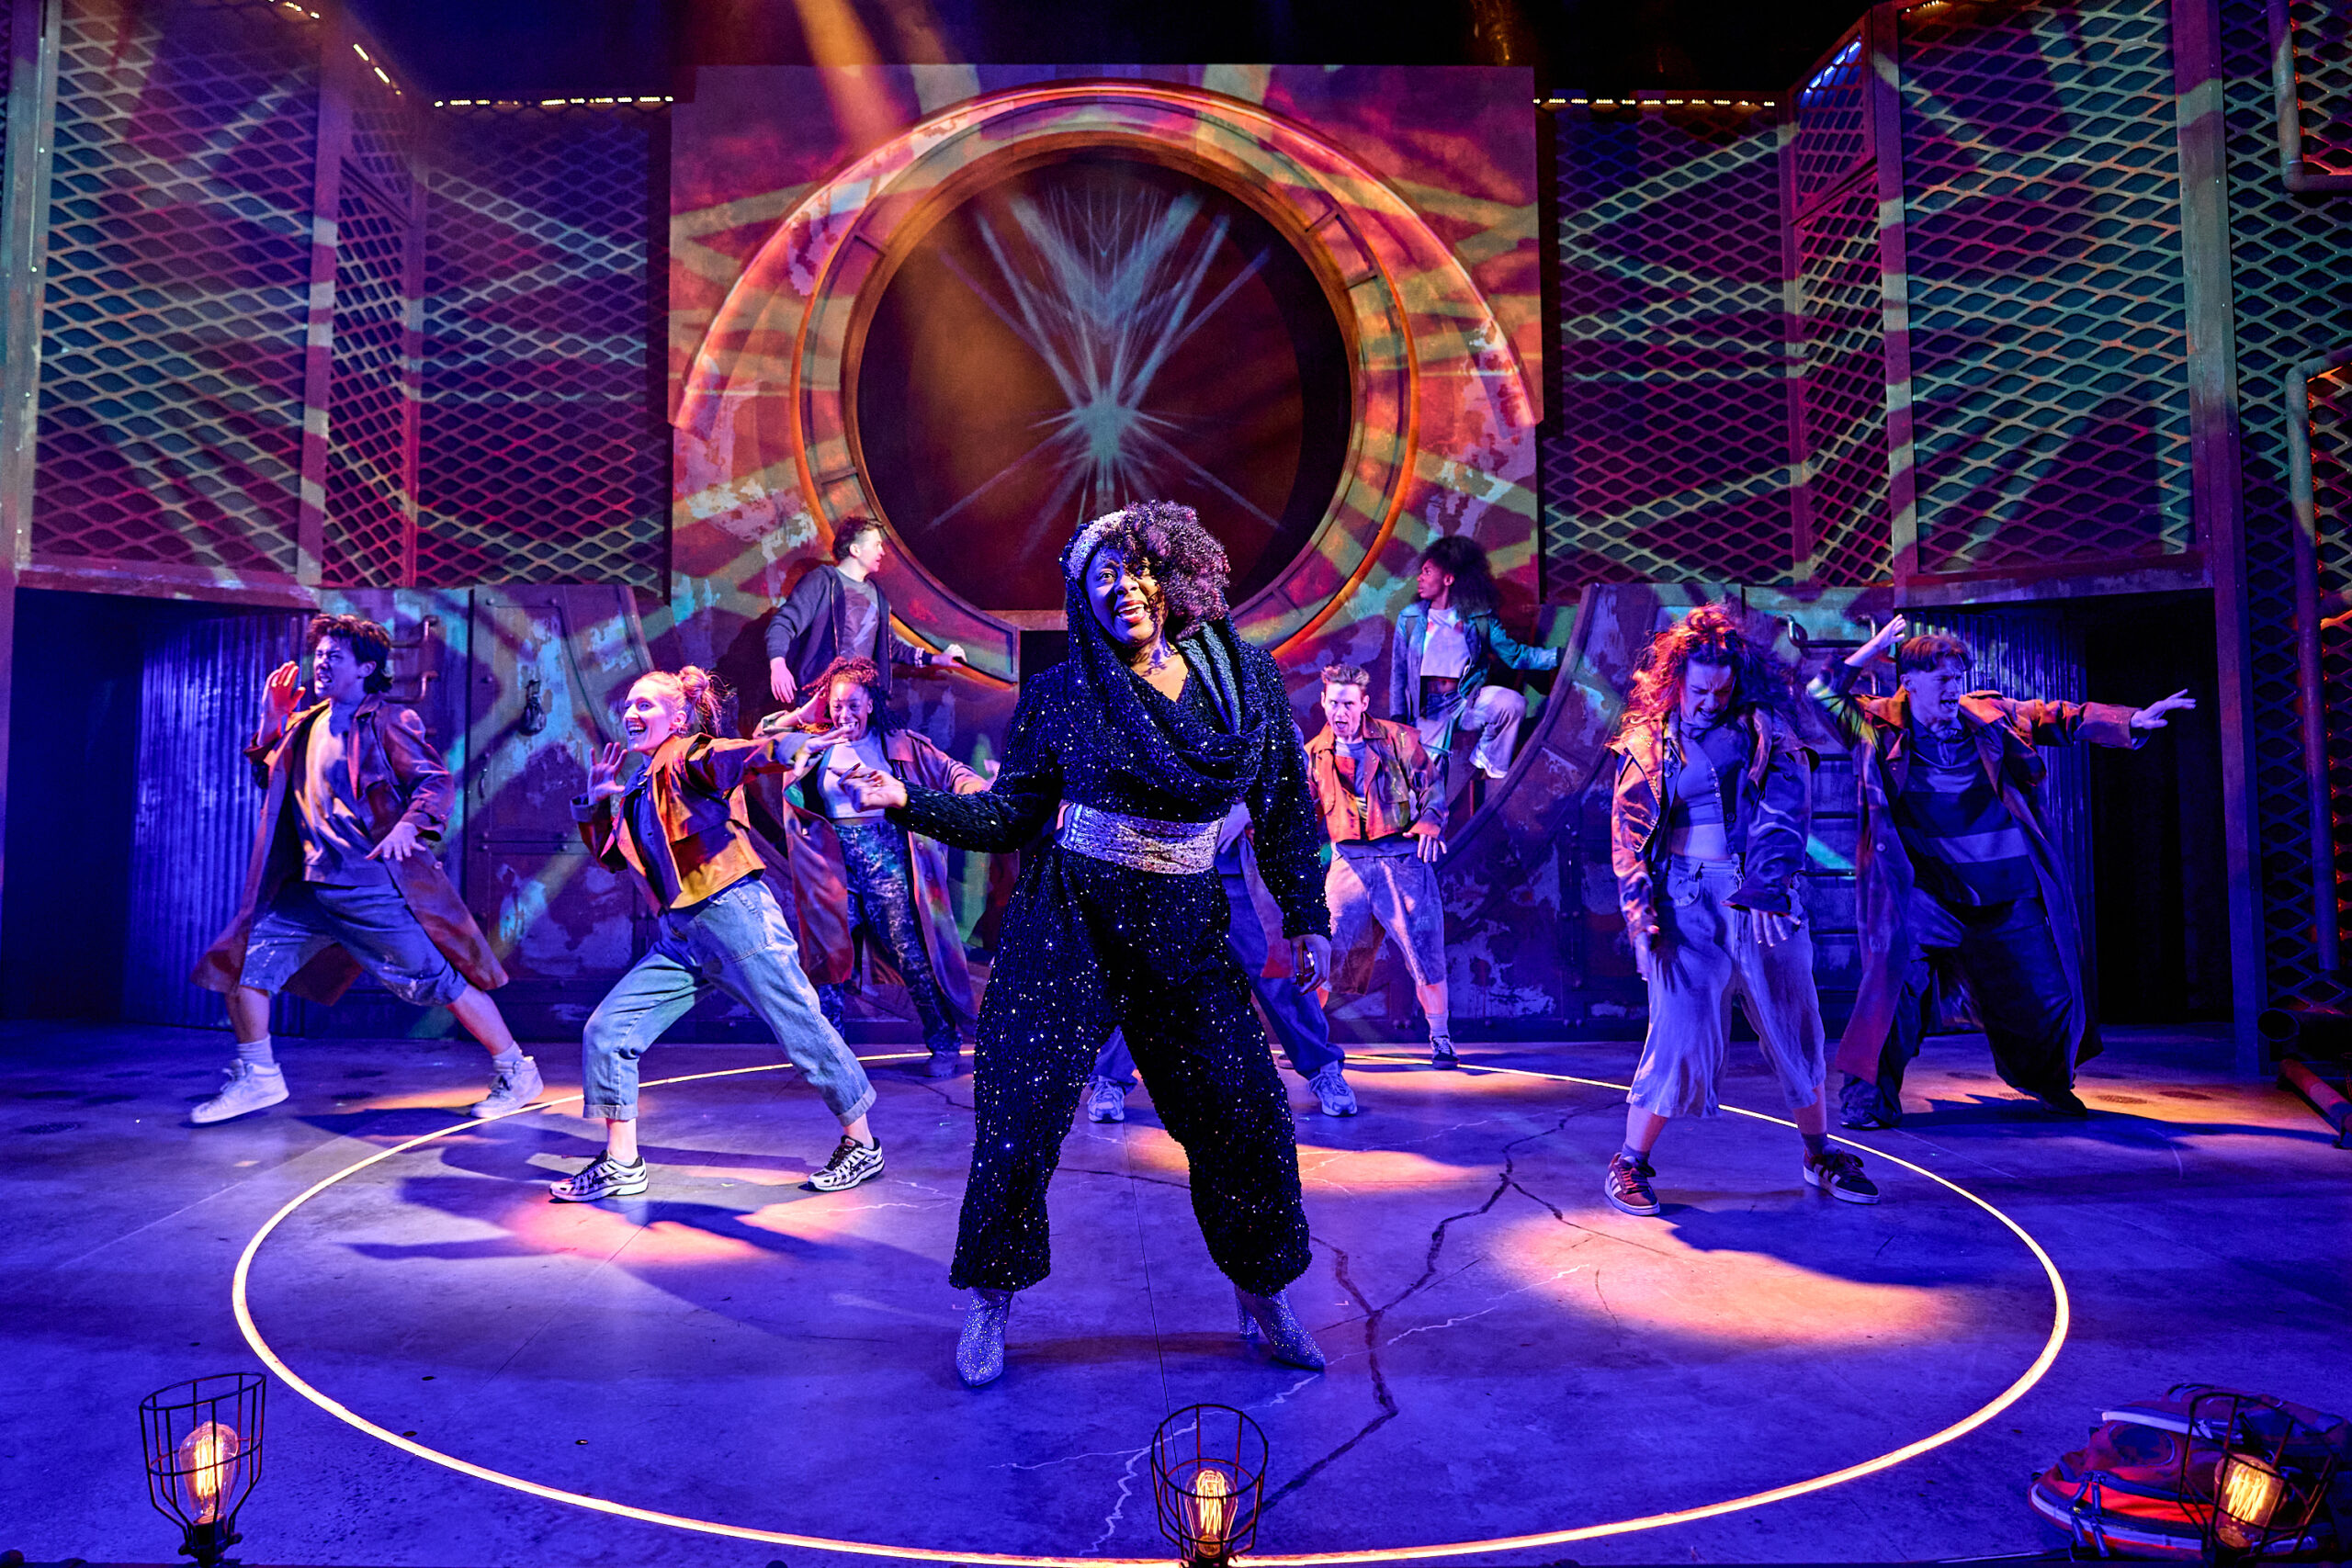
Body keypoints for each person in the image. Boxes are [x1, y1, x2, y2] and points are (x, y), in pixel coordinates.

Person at [841, 500, 1335, 1388]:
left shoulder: (1244, 680)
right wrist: (906, 801)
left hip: (1185, 927)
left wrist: (1306, 913)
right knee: (1019, 1118)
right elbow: (1010, 816)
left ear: (1170, 574)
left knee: (1246, 1112)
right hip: (1068, 923)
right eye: (1103, 575)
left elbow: (1286, 807)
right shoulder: (1063, 694)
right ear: (1082, 595)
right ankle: (991, 1299)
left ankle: (1262, 1291)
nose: (1124, 587)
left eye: (1137, 567)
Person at [1813, 615, 2198, 1129]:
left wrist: (2130, 721)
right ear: (1908, 681)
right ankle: (1868, 1097)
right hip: (1927, 895)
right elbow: (1820, 695)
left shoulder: (1991, 716)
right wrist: (1870, 650)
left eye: (1958, 677)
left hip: (2006, 888)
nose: (1954, 688)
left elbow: (2060, 716)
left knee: (2045, 997)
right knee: (1890, 991)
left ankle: (2047, 1081)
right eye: (1941, 678)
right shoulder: (1875, 724)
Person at [548, 667, 884, 1202]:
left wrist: (794, 745)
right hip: (683, 934)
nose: (631, 713)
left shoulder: (690, 755)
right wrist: (594, 803)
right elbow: (614, 858)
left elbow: (740, 755)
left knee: (799, 1025)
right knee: (608, 1032)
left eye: (646, 705)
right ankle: (621, 1163)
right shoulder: (639, 785)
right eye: (628, 705)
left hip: (733, 914)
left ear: (678, 718)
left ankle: (862, 1144)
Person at [190, 615, 531, 1124]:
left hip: (367, 890)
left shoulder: (388, 722)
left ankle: (516, 1070)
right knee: (244, 966)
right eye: (320, 655)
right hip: (308, 891)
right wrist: (271, 720)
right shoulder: (305, 723)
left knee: (439, 983)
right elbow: (270, 778)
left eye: (335, 656)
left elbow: (434, 783)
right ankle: (258, 1076)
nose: (321, 664)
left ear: (366, 668)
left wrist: (409, 826)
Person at [1603, 605, 1875, 1216]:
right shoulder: (1647, 742)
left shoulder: (1762, 729)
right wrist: (1640, 918)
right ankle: (1630, 1161)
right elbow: (1628, 840)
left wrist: (1768, 884)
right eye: (1698, 691)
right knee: (1678, 1031)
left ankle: (1819, 1154)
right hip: (1683, 901)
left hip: (1760, 899)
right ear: (1675, 681)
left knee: (1793, 1023)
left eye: (1720, 692)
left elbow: (1786, 808)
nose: (1708, 703)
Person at [780, 655, 987, 1080]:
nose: (845, 714)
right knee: (829, 961)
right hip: (831, 861)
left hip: (887, 857)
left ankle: (944, 1044)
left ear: (870, 704)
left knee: (910, 954)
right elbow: (764, 739)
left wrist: (978, 790)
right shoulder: (814, 743)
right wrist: (803, 715)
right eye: (837, 705)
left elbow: (953, 772)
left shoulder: (899, 744)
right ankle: (833, 1060)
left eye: (853, 705)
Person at [1085, 802, 1357, 1121]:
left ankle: (1324, 1070)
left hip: (1242, 873)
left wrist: (1250, 809)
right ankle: (1109, 1080)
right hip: (1171, 870)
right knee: (1149, 978)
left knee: (1277, 973)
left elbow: (1288, 786)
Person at [1304, 662, 1458, 1068]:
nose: (1340, 712)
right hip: (1349, 862)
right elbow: (1303, 810)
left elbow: (1432, 786)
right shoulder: (1315, 754)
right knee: (1326, 952)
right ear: (1323, 701)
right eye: (1334, 703)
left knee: (1425, 952)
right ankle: (1310, 1042)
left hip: (1401, 861)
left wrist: (1431, 820)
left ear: (1364, 703)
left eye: (1348, 704)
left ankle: (1441, 1039)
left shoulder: (1397, 739)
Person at [1388, 535, 1560, 787]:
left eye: (1427, 572)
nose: (1419, 578)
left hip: (1465, 702)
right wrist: (1398, 716)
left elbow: (1515, 655)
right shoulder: (1411, 618)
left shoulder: (1479, 618)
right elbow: (1399, 672)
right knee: (1427, 784)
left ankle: (1486, 761)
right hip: (1428, 709)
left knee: (1512, 704)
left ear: (1448, 579)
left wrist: (1557, 656)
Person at [765, 515, 965, 710]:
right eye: (876, 545)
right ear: (855, 549)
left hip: (860, 705)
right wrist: (778, 664)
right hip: (821, 702)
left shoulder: (877, 595)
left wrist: (936, 659)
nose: (882, 552)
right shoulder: (822, 581)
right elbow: (783, 623)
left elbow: (890, 646)